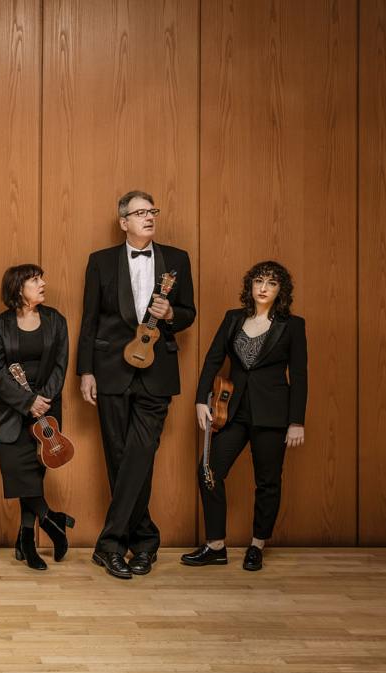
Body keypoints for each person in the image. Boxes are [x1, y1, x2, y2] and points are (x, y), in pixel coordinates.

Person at [77, 191, 196, 579]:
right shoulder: (99, 262)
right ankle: (143, 541)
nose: (148, 217)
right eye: (139, 213)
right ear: (123, 222)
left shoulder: (177, 259)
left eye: (152, 211)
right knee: (119, 457)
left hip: (157, 372)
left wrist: (173, 312)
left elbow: (190, 313)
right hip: (110, 370)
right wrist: (86, 372)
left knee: (140, 452)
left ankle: (109, 544)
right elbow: (90, 320)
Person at [182, 261, 306, 571]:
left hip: (273, 415)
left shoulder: (293, 325)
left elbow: (300, 375)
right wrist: (200, 401)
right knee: (208, 471)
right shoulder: (233, 319)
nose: (264, 288)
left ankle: (257, 545)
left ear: (281, 291)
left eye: (272, 284)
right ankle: (215, 545)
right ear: (249, 286)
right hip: (232, 412)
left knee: (267, 482)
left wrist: (296, 421)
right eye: (259, 282)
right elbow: (212, 361)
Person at [0, 264, 75, 571]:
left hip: (47, 413)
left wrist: (42, 402)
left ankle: (26, 538)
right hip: (11, 412)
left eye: (42, 278)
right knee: (18, 473)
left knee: (35, 475)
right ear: (18, 288)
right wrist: (27, 402)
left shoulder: (56, 321)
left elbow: (61, 365)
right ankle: (53, 521)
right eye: (35, 280)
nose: (43, 283)